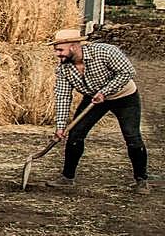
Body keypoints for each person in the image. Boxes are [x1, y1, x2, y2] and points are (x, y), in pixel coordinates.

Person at [43, 28, 149, 193]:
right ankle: (67, 178)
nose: (57, 54)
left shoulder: (105, 52)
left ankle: (141, 180)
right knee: (76, 134)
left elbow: (128, 71)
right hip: (93, 99)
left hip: (125, 97)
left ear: (73, 46)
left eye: (60, 49)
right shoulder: (64, 69)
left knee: (132, 136)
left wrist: (105, 92)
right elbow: (63, 96)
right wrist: (60, 126)